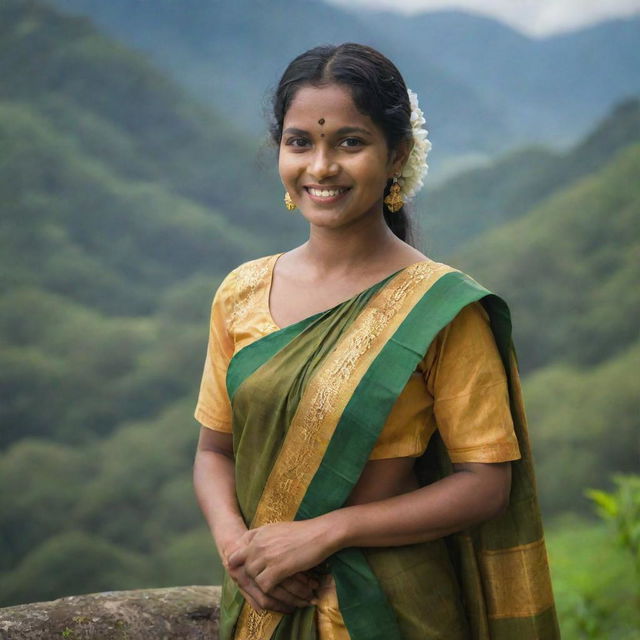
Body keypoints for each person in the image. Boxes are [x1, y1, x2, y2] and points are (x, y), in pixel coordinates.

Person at [192, 42, 560, 640]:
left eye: (350, 142)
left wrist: (328, 530)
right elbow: (213, 452)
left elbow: (486, 484)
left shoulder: (440, 309)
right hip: (263, 603)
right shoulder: (241, 291)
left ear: (398, 155)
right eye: (300, 142)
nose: (321, 167)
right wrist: (244, 553)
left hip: (390, 609)